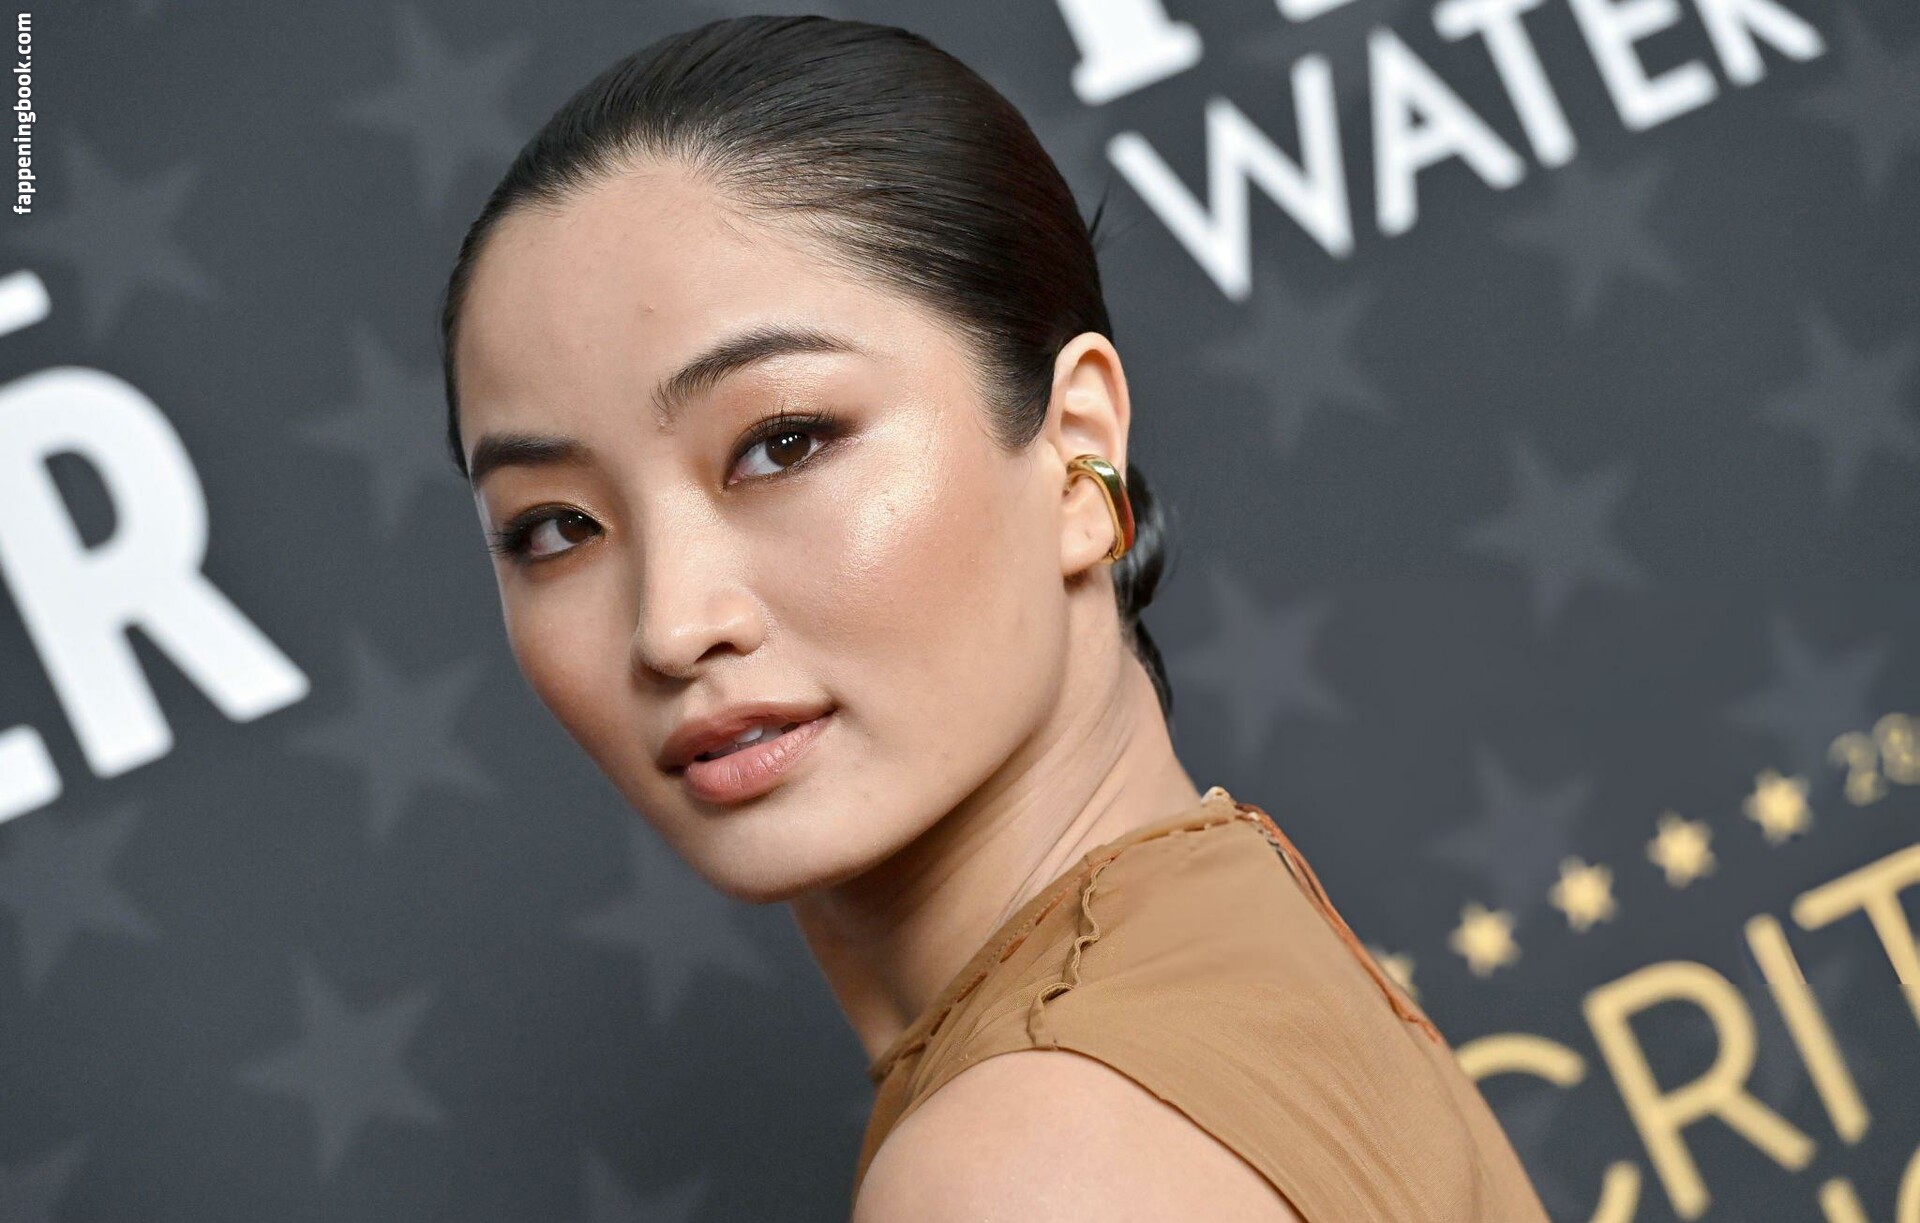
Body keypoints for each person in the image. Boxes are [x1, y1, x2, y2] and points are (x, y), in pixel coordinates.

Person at [438, 14, 1551, 1221]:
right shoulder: (1221, 971)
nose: (670, 623)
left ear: (1077, 449)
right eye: (554, 526)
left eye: (783, 443)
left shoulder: (1034, 1162)